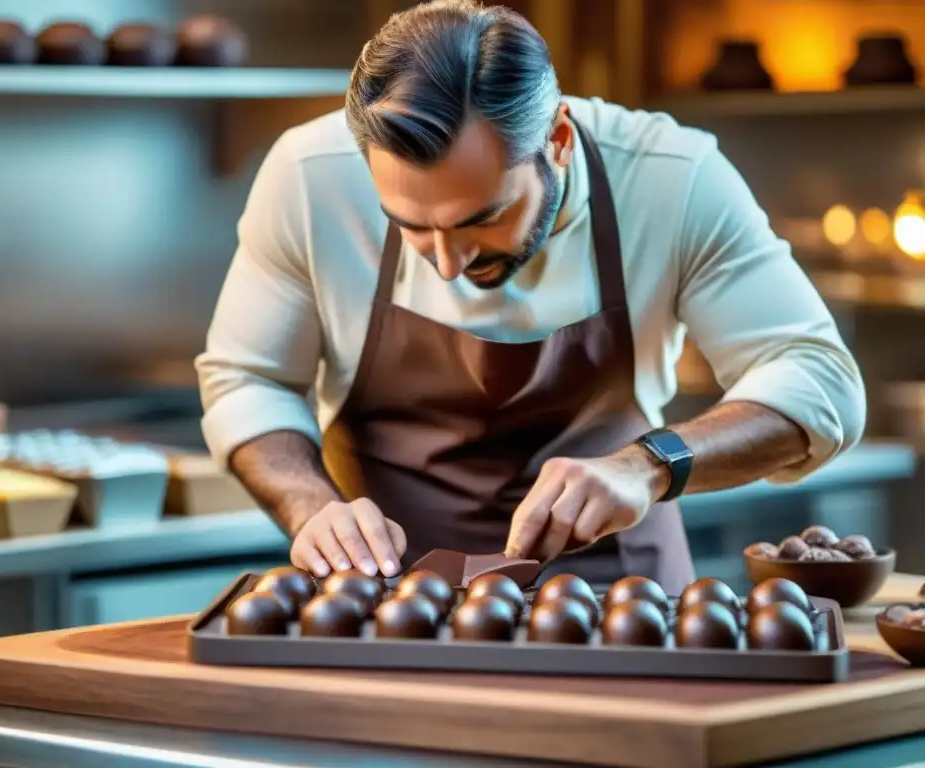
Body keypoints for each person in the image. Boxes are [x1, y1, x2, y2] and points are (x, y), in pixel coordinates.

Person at [196, 0, 865, 595]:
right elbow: (247, 379)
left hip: (622, 599)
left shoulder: (673, 179)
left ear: (560, 140)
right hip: (386, 597)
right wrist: (313, 508)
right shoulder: (309, 176)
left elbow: (821, 381)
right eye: (409, 224)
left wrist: (649, 466)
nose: (447, 263)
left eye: (481, 217)